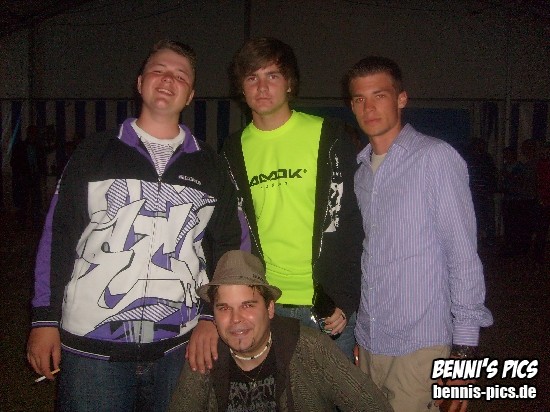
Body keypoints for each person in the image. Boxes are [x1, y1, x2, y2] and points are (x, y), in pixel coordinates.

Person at [26, 39, 241, 411]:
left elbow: (231, 246)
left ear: (191, 95)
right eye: (158, 71)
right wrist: (44, 320)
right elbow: (57, 237)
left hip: (181, 346)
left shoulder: (211, 165)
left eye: (180, 76)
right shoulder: (94, 152)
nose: (168, 80)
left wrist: (212, 316)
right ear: (140, 83)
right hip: (92, 347)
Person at [190, 37, 363, 370]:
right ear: (241, 88)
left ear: (289, 83)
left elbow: (352, 221)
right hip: (267, 305)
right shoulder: (233, 151)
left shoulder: (329, 136)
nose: (262, 87)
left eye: (272, 75)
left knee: (335, 395)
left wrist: (345, 296)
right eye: (252, 77)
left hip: (328, 308)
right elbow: (227, 231)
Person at [344, 56, 493, 412]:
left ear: (401, 99)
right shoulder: (361, 173)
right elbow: (370, 257)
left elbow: (463, 257)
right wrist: (363, 334)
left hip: (420, 344)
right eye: (359, 99)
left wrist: (463, 356)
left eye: (379, 95)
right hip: (371, 342)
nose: (368, 107)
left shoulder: (434, 158)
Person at [169, 250, 392, 412]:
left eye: (248, 305)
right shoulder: (206, 355)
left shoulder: (310, 348)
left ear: (270, 308)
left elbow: (372, 405)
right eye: (224, 308)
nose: (236, 319)